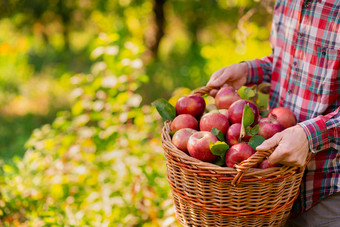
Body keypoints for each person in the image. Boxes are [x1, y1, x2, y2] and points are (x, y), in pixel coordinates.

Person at [207, 1, 340, 226]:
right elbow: (290, 63)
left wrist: (311, 135)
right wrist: (250, 71)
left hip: (325, 186)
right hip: (268, 185)